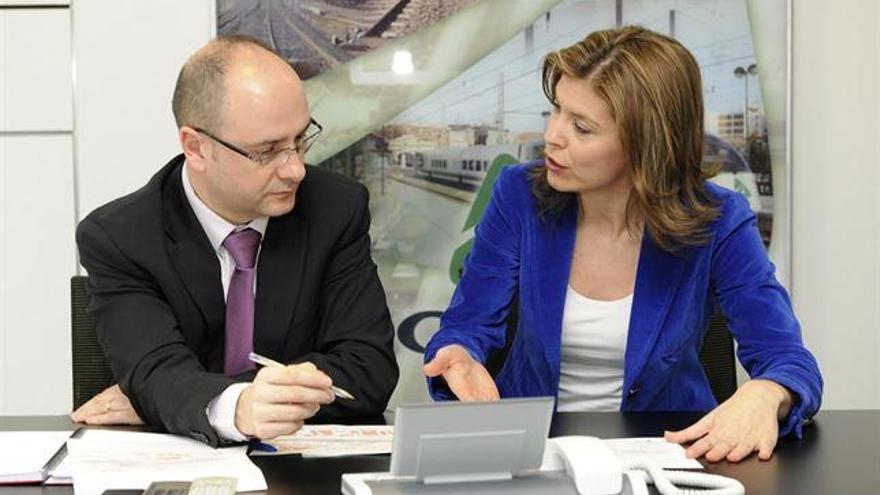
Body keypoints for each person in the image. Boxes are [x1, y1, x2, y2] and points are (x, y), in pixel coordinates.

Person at [422, 26, 822, 463]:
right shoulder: (518, 194)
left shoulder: (720, 219)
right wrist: (458, 356)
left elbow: (788, 360)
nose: (553, 136)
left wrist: (767, 392)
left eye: (582, 127)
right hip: (534, 457)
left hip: (669, 456)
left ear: (645, 144)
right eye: (556, 111)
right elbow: (467, 325)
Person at [71, 35, 399, 446]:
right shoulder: (121, 237)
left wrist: (187, 399)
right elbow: (154, 367)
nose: (295, 169)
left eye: (301, 139)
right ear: (196, 147)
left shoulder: (335, 209)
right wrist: (184, 394)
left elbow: (368, 368)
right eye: (267, 151)